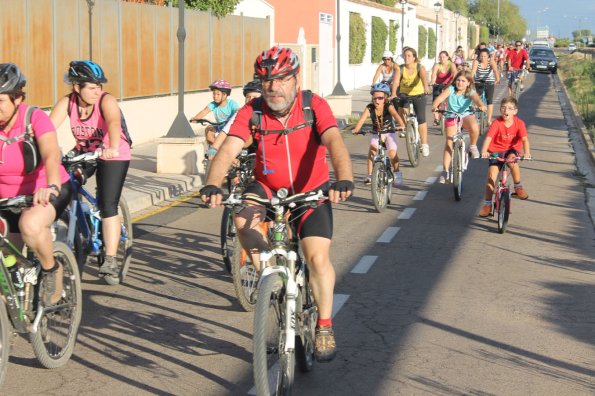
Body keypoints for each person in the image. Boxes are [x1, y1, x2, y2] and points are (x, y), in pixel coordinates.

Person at [199, 46, 353, 363]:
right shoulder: (252, 111)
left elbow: (334, 141)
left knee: (316, 257)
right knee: (243, 220)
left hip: (311, 192)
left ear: (295, 78)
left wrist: (344, 178)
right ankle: (272, 278)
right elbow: (229, 147)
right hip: (268, 187)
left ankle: (324, 324)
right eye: (266, 80)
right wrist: (212, 182)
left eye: (281, 79)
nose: (273, 87)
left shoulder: (313, 106)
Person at [50, 60, 131, 278]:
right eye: (92, 87)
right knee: (62, 184)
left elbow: (113, 123)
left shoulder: (106, 100)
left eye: (100, 86)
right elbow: (47, 128)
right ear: (77, 87)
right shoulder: (68, 102)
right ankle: (82, 224)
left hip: (113, 152)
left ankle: (111, 259)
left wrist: (111, 146)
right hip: (84, 151)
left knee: (107, 204)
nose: (98, 91)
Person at [0, 63, 73, 305]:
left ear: (17, 98)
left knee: (30, 225)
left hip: (44, 190)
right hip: (5, 199)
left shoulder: (34, 118)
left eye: (0, 101)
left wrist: (51, 185)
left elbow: (51, 154)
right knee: (6, 267)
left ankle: (52, 270)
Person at [479, 96, 531, 217]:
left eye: (509, 108)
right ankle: (487, 204)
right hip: (496, 151)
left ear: (515, 111)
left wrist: (527, 153)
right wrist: (484, 151)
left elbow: (524, 139)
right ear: (500, 109)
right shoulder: (497, 123)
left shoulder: (519, 123)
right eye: (503, 108)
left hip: (511, 150)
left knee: (512, 160)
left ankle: (518, 187)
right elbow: (488, 138)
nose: (506, 110)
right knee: (491, 175)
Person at [431, 70, 487, 183]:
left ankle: (472, 146)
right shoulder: (450, 90)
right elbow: (440, 98)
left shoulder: (470, 91)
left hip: (466, 115)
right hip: (452, 116)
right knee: (449, 143)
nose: (460, 83)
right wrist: (434, 106)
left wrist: (481, 106)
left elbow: (477, 100)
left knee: (474, 127)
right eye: (458, 80)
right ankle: (445, 172)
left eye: (463, 81)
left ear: (468, 83)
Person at [352, 82, 406, 186]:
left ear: (385, 98)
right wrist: (356, 129)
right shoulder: (369, 108)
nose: (377, 100)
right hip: (376, 133)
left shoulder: (388, 106)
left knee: (392, 153)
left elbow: (395, 114)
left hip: (389, 132)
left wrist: (402, 124)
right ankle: (369, 175)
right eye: (375, 98)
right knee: (372, 151)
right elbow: (361, 120)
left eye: (380, 98)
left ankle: (397, 173)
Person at [391, 47, 431, 156]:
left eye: (409, 56)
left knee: (421, 119)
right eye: (405, 56)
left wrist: (426, 87)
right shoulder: (400, 68)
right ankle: (406, 126)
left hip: (419, 94)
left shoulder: (419, 67)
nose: (406, 58)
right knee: (402, 108)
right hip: (405, 94)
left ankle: (424, 144)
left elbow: (423, 78)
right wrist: (394, 93)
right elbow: (395, 82)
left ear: (414, 57)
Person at [207, 79, 262, 158]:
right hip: (245, 148)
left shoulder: (268, 112)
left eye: (255, 97)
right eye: (248, 97)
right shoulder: (241, 112)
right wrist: (214, 148)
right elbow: (225, 131)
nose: (251, 99)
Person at [190, 80, 239, 145]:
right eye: (214, 94)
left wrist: (238, 111)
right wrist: (196, 118)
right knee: (208, 129)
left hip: (230, 127)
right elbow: (205, 111)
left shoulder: (231, 103)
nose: (215, 96)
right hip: (219, 126)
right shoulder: (213, 104)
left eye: (218, 94)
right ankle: (216, 148)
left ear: (225, 95)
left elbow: (237, 110)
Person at [471, 48, 500, 124]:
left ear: (488, 56)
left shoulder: (491, 61)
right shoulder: (477, 62)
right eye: (481, 56)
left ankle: (489, 120)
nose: (483, 58)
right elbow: (473, 71)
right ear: (479, 56)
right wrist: (469, 80)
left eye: (485, 56)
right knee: (477, 98)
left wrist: (497, 79)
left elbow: (495, 70)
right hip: (478, 81)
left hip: (489, 81)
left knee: (489, 100)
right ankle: (475, 116)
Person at [430, 51, 457, 126]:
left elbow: (454, 73)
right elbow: (433, 74)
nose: (442, 59)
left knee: (450, 98)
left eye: (443, 57)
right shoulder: (437, 65)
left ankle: (452, 114)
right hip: (438, 84)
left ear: (447, 57)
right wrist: (432, 82)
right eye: (440, 57)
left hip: (448, 84)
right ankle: (436, 118)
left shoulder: (451, 64)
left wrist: (452, 82)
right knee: (435, 100)